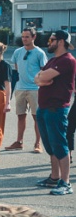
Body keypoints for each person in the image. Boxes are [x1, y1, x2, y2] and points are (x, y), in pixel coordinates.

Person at [34, 30, 76, 195]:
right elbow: (37, 77)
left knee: (60, 145)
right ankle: (54, 177)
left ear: (60, 42)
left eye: (51, 39)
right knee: (50, 146)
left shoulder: (67, 60)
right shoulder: (52, 60)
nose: (48, 42)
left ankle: (65, 183)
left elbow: (42, 76)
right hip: (44, 107)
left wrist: (41, 78)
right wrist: (41, 80)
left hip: (57, 108)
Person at [4, 28, 46, 153]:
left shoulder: (39, 53)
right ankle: (19, 142)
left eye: (27, 37)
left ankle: (38, 143)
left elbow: (43, 71)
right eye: (23, 37)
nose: (24, 39)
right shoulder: (17, 52)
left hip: (35, 89)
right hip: (20, 88)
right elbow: (17, 68)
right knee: (20, 116)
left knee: (37, 117)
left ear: (34, 37)